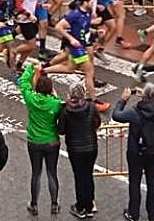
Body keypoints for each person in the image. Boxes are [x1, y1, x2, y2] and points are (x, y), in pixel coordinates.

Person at [112, 82, 154, 221]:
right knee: (153, 183)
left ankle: (133, 213)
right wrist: (147, 94)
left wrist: (123, 100)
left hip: (136, 152)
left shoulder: (134, 112)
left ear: (143, 96)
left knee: (135, 183)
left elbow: (116, 115)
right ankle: (153, 214)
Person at [17, 62, 63, 214]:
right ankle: (54, 204)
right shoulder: (55, 104)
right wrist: (55, 96)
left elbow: (22, 82)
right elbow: (59, 105)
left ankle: (34, 204)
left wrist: (31, 68)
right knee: (52, 172)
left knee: (36, 173)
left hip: (34, 141)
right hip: (52, 141)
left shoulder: (30, 98)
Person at [58, 83, 101, 220]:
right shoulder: (91, 107)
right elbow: (97, 122)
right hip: (91, 147)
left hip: (75, 149)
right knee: (88, 175)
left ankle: (81, 206)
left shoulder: (65, 111)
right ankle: (90, 205)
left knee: (79, 176)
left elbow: (61, 130)